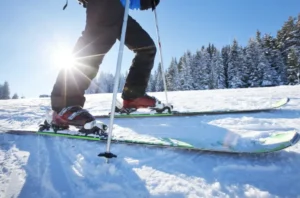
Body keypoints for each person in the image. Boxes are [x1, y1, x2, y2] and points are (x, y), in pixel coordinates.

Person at [50, 0, 164, 128]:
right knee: (93, 46)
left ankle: (133, 96)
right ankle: (64, 106)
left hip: (119, 9)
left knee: (146, 48)